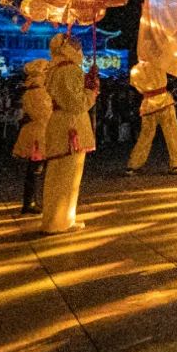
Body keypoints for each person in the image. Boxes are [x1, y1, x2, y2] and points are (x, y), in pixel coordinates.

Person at [41, 34, 98, 234]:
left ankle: (61, 219)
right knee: (66, 178)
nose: (80, 49)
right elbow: (76, 103)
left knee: (60, 176)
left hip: (60, 124)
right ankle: (58, 223)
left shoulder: (55, 68)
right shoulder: (69, 69)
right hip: (70, 127)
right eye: (76, 45)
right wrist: (91, 91)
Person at [125, 60, 177, 175]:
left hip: (148, 105)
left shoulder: (135, 70)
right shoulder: (159, 62)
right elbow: (174, 69)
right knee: (172, 134)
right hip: (164, 102)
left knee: (145, 137)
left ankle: (133, 165)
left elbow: (136, 87)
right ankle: (176, 165)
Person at [12, 59, 51, 214]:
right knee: (36, 169)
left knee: (35, 169)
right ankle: (30, 202)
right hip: (39, 134)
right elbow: (45, 113)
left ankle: (31, 201)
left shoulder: (33, 90)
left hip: (37, 131)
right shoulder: (38, 92)